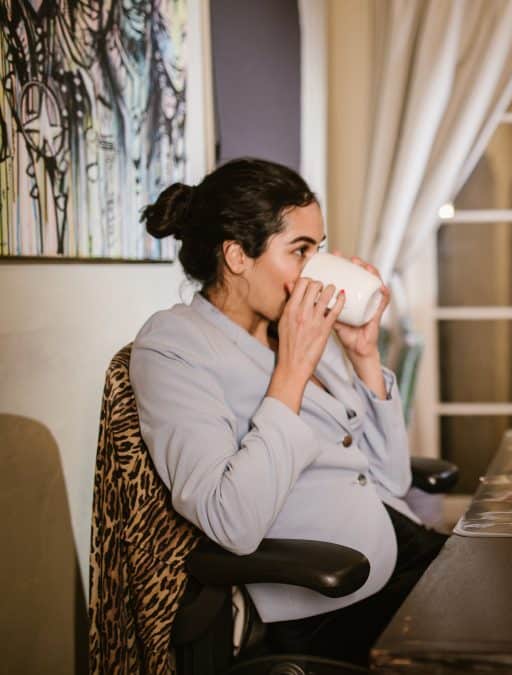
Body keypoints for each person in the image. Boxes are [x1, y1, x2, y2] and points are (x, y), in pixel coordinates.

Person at [130, 158, 445, 664]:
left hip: (396, 541)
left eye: (317, 251)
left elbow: (388, 475)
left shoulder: (291, 325)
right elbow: (230, 521)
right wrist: (292, 374)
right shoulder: (174, 348)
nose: (314, 273)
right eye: (300, 251)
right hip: (332, 598)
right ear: (236, 256)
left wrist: (363, 353)